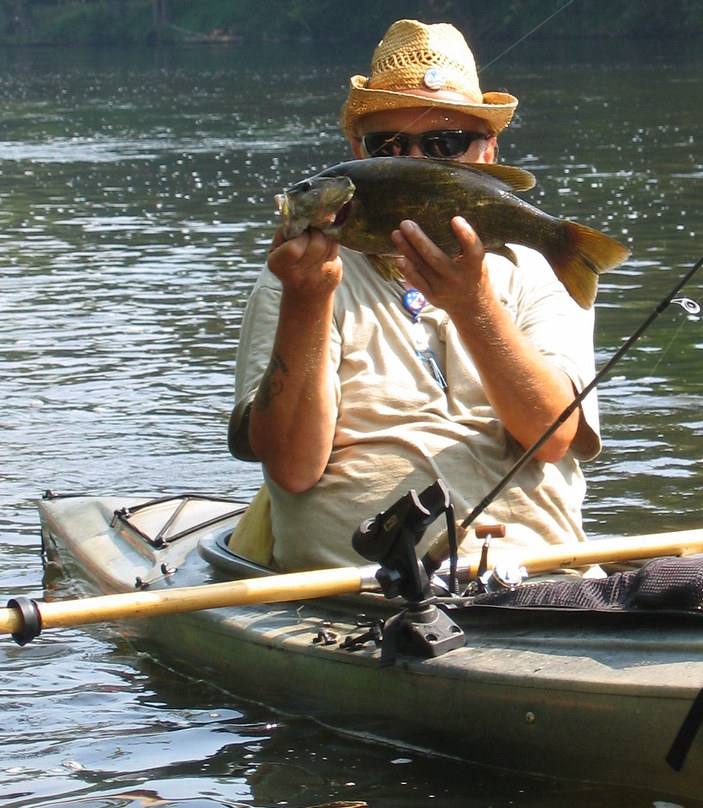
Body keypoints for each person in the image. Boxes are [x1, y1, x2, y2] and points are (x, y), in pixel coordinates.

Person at [228, 19, 601, 570]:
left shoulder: (539, 270)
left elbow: (551, 438)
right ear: (358, 152)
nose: (415, 162)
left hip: (531, 577)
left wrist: (475, 308)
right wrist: (306, 302)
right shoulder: (301, 278)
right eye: (388, 146)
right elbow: (291, 469)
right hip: (353, 590)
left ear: (488, 155)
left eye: (445, 144)